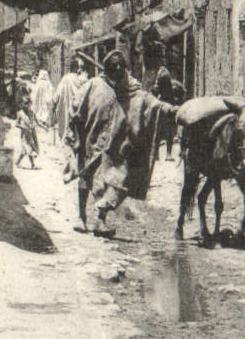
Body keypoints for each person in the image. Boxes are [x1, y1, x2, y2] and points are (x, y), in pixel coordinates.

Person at [66, 49, 175, 235]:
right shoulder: (93, 85)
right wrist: (75, 138)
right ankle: (81, 217)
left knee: (116, 182)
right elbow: (76, 111)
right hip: (91, 142)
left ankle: (101, 220)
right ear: (107, 70)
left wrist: (172, 110)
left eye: (120, 69)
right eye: (113, 69)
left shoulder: (132, 90)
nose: (117, 72)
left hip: (115, 147)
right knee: (86, 177)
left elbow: (151, 104)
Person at [52, 54, 90, 159]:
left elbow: (56, 96)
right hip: (78, 109)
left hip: (65, 109)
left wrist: (54, 108)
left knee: (66, 131)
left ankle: (67, 156)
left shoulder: (66, 79)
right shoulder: (84, 80)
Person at [14, 87, 40, 168]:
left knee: (27, 150)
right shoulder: (20, 113)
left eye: (28, 103)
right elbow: (16, 124)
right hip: (24, 135)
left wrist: (44, 126)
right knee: (27, 149)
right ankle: (32, 165)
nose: (27, 105)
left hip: (31, 134)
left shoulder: (31, 113)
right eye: (25, 103)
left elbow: (37, 121)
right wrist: (23, 127)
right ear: (21, 104)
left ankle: (18, 162)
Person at [30, 66, 55, 148]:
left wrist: (34, 100)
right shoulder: (49, 83)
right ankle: (45, 127)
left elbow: (35, 93)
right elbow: (51, 91)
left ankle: (40, 129)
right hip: (46, 102)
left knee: (39, 113)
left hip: (39, 102)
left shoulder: (39, 83)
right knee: (45, 113)